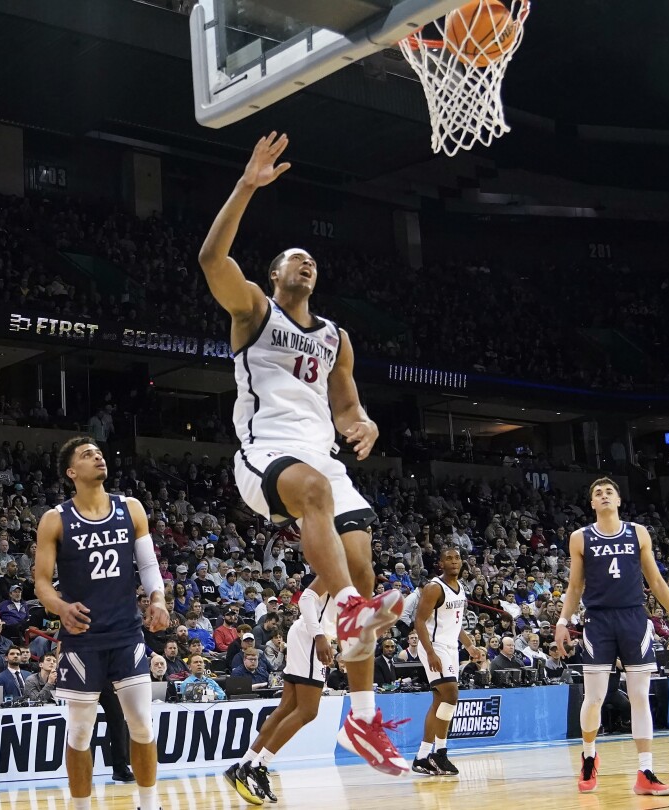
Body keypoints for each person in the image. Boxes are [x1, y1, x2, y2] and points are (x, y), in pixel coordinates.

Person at [198, 131, 406, 776]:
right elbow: (210, 257)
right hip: (268, 452)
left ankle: (366, 720)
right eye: (293, 257)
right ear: (274, 275)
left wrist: (363, 421)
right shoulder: (254, 312)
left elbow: (346, 404)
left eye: (310, 258)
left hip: (323, 455)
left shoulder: (337, 337)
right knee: (318, 500)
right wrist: (247, 186)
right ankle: (345, 610)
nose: (304, 262)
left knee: (365, 559)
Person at [33, 437, 170, 810]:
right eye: (86, 454)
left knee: (141, 722)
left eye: (100, 452)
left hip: (127, 632)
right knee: (79, 732)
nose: (98, 456)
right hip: (82, 640)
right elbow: (42, 582)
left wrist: (157, 599)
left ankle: (149, 803)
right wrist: (60, 607)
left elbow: (148, 566)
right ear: (71, 472)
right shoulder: (55, 519)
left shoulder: (131, 508)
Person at [554, 478, 669, 797]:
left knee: (640, 696)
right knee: (594, 697)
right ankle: (589, 756)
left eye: (608, 492)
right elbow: (575, 587)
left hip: (633, 618)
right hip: (599, 620)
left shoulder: (638, 533)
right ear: (591, 504)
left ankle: (645, 771)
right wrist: (563, 620)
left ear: (618, 500)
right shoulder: (580, 538)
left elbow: (655, 581)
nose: (603, 496)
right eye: (597, 494)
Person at [225, 576, 333, 805]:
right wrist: (321, 636)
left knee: (287, 708)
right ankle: (259, 765)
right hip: (311, 638)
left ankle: (244, 764)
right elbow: (305, 598)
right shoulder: (339, 565)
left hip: (306, 636)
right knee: (308, 711)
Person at [411, 547, 472, 777]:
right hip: (434, 648)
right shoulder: (434, 588)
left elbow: (455, 625)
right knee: (451, 695)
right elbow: (418, 621)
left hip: (450, 648)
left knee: (439, 700)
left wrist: (469, 645)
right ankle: (441, 752)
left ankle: (422, 756)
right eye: (449, 558)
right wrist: (429, 653)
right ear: (440, 563)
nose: (454, 561)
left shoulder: (460, 588)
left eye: (457, 558)